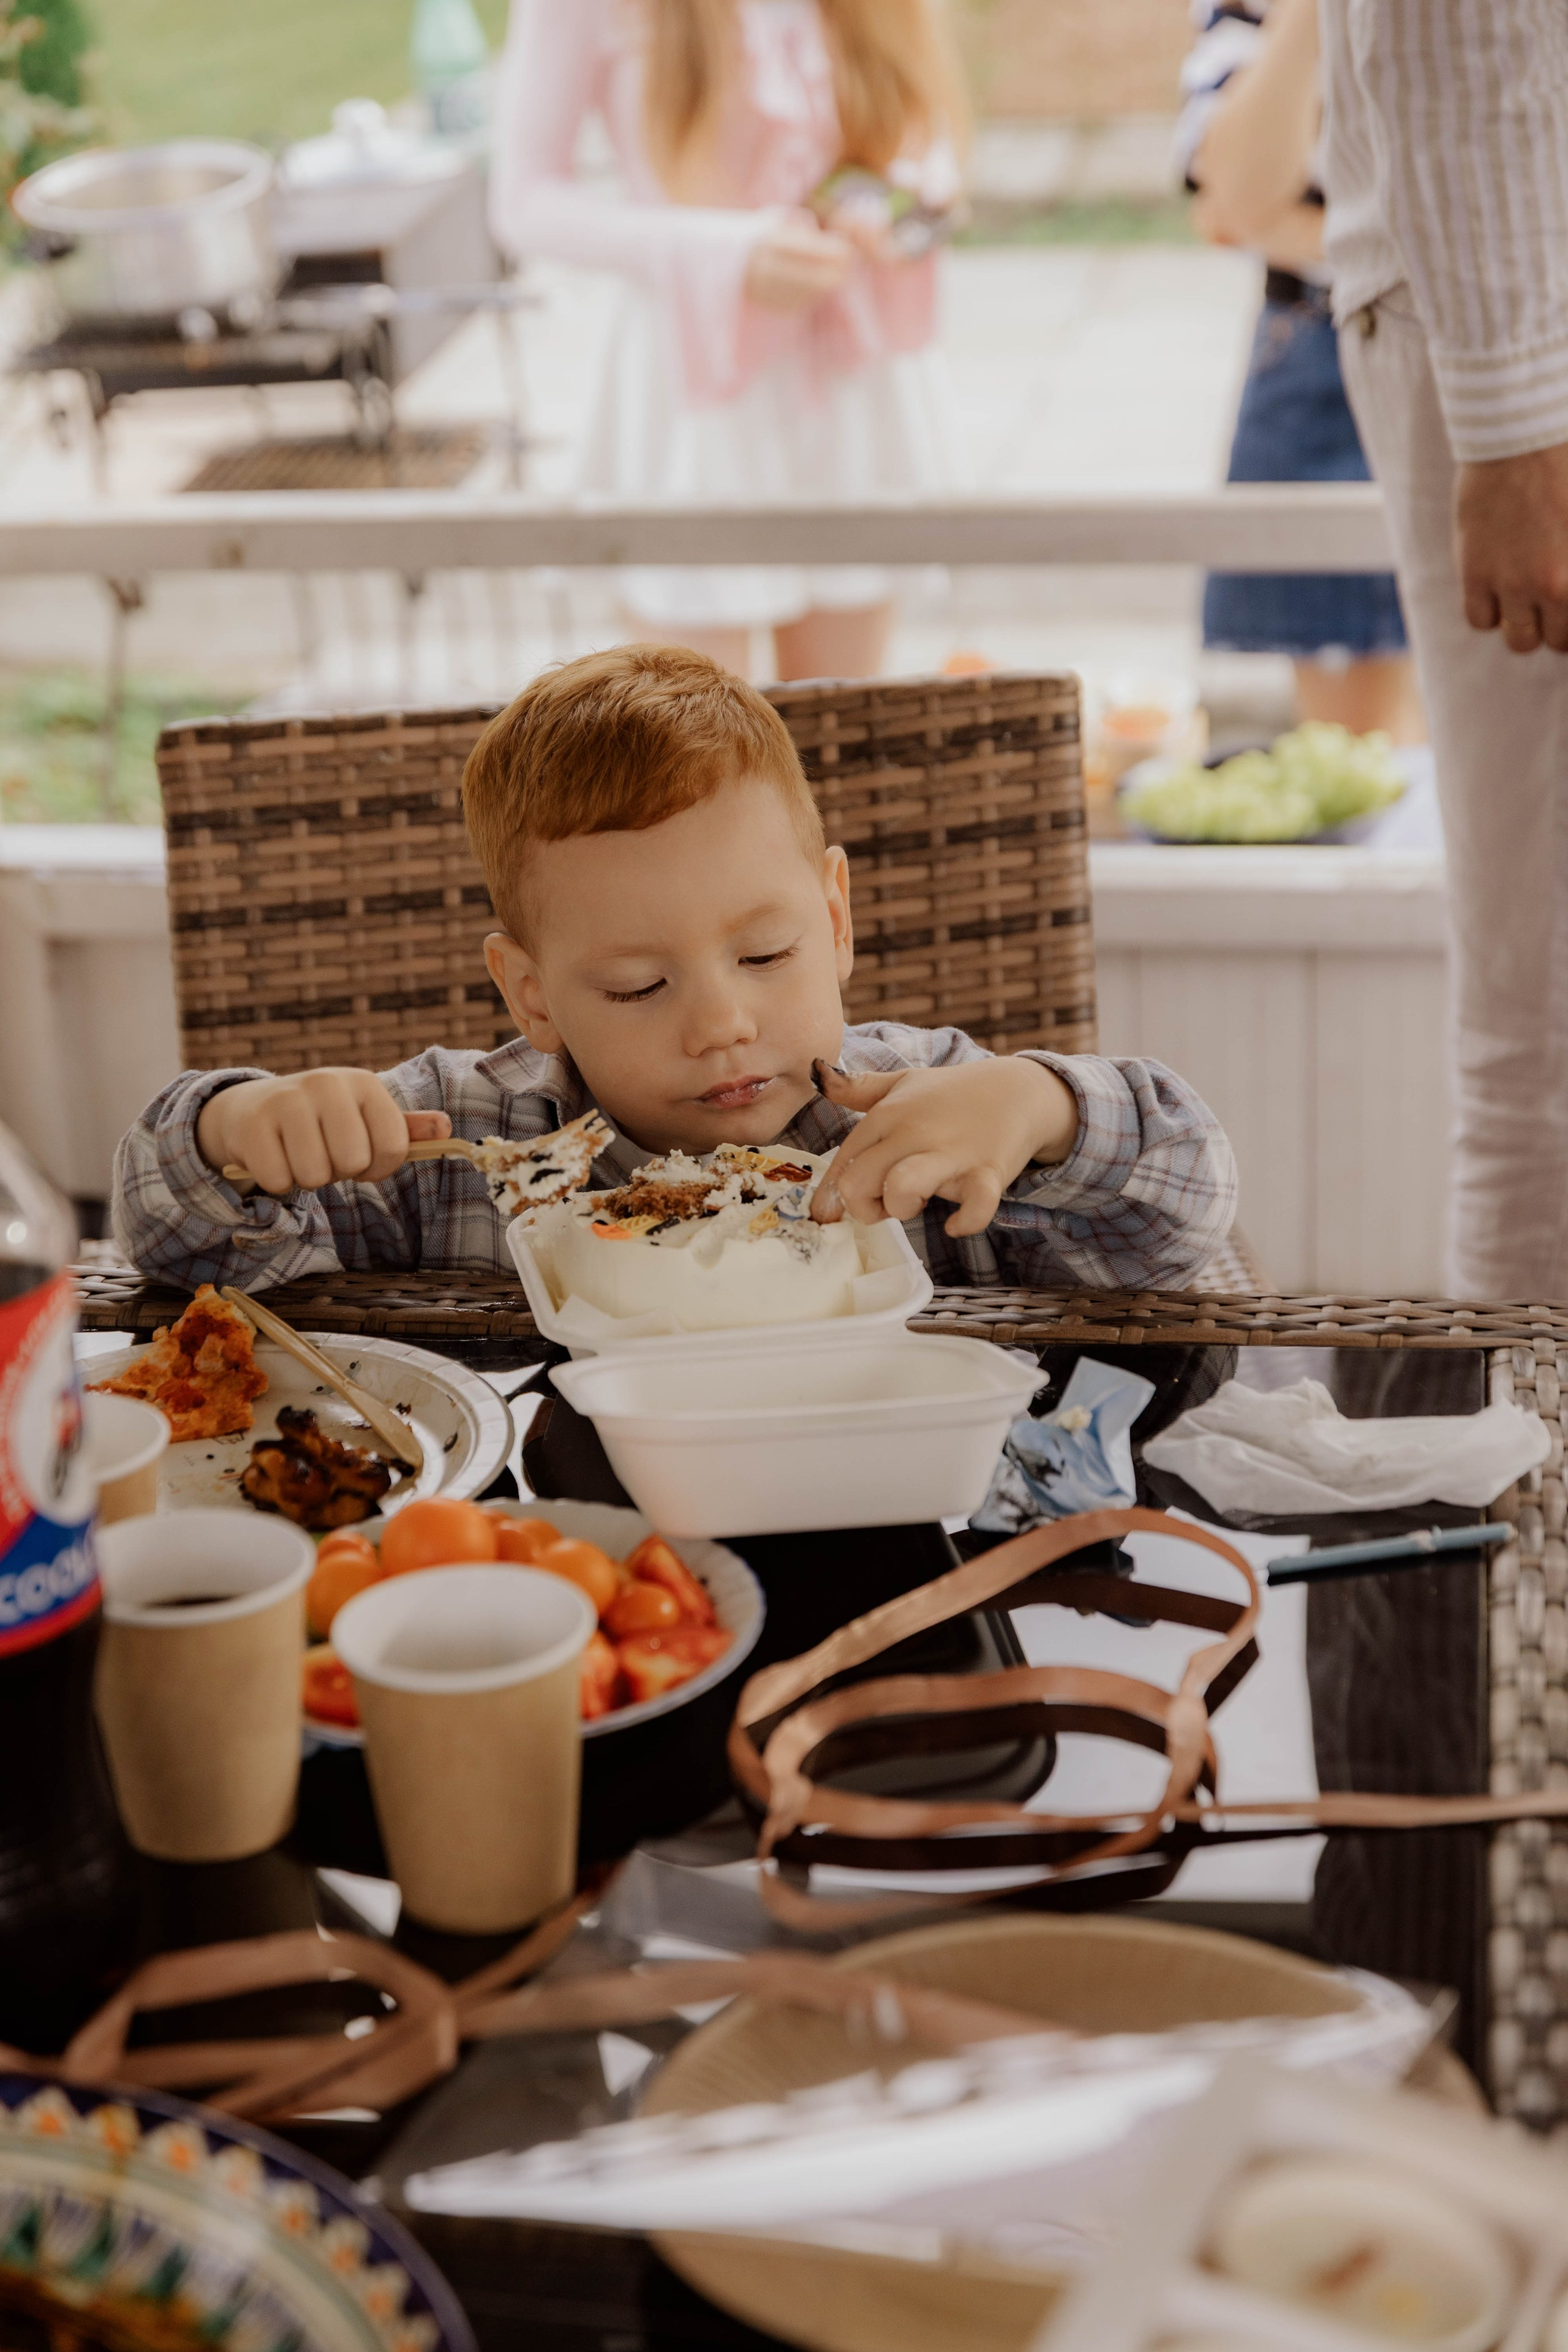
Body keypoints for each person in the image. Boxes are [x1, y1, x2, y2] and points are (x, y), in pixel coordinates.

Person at [112, 646, 1236, 1295]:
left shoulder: (932, 1115)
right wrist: (233, 1135)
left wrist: (1046, 1108)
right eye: (638, 988)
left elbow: (1185, 1225)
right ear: (534, 995)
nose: (721, 1023)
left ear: (836, 918)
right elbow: (172, 1243)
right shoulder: (452, 1143)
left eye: (765, 954)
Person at [486, 0, 968, 683]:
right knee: (697, 751)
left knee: (837, 731)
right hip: (695, 393)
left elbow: (924, 128)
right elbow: (524, 199)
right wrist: (725, 253)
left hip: (847, 376)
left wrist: (900, 196)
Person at [1318, 1, 1568, 1298]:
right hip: (1528, 330)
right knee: (1550, 1012)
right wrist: (1512, 414)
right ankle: (1537, 1487)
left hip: (1514, 326)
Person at [1181, 0, 1421, 742]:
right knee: (1358, 745)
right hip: (1327, 347)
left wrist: (1315, 233)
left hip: (1512, 340)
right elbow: (1235, 201)